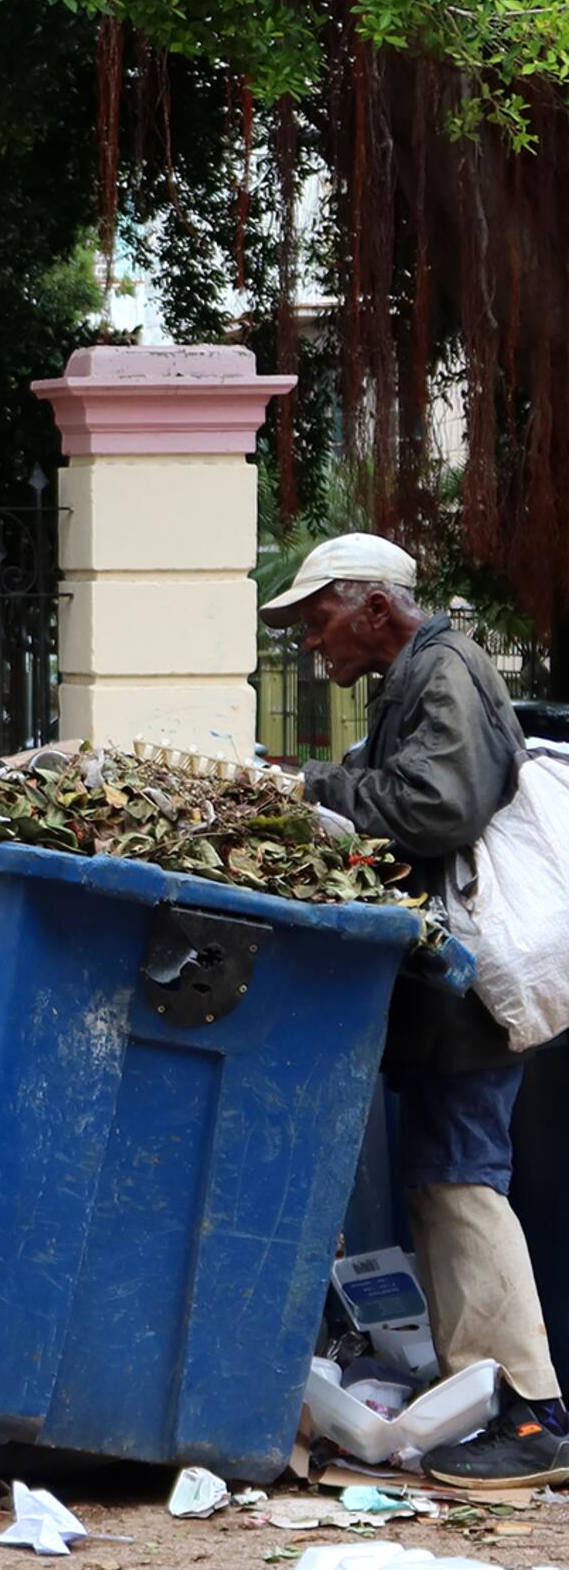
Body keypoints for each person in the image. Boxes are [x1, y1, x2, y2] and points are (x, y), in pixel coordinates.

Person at [261, 532, 568, 1488]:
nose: (315, 644)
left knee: (464, 1185)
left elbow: (435, 808)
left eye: (320, 619)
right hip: (445, 995)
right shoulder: (417, 679)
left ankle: (531, 1416)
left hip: (468, 993)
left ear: (375, 606)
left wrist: (311, 790)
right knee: (443, 1185)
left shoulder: (444, 671)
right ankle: (484, 1399)